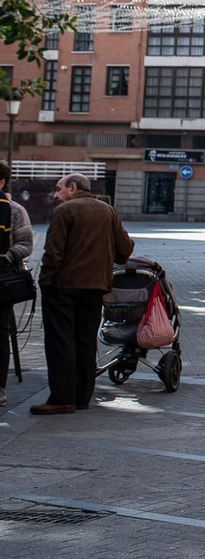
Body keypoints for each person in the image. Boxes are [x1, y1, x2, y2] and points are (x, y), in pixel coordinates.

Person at [33, 174, 133, 415]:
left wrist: (45, 282)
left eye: (59, 189)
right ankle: (82, 396)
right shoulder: (108, 211)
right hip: (96, 286)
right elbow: (124, 251)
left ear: (73, 188)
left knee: (60, 341)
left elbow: (53, 252)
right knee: (86, 341)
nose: (57, 195)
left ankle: (62, 397)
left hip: (64, 286)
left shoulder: (64, 211)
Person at [1, 183, 35, 410]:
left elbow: (26, 243)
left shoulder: (14, 210)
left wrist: (8, 257)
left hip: (1, 279)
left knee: (0, 333)